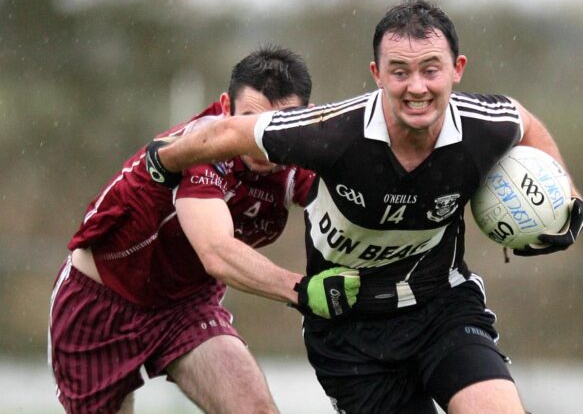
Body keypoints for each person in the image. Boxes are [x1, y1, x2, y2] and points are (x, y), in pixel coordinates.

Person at [146, 0, 583, 414]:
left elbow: (525, 122)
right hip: (349, 334)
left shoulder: (485, 125)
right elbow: (233, 133)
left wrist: (569, 198)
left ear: (457, 69)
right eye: (400, 72)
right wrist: (162, 160)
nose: (417, 87)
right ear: (377, 73)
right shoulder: (331, 132)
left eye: (430, 70)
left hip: (443, 309)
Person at [48, 46, 357, 414]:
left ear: (302, 117)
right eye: (249, 122)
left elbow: (355, 204)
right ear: (226, 108)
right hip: (100, 303)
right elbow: (216, 252)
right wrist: (302, 291)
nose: (264, 141)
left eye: (277, 126)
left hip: (187, 309)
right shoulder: (198, 145)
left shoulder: (296, 151)